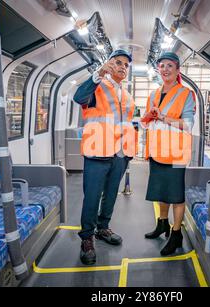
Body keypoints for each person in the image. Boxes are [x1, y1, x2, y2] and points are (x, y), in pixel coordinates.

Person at [73, 49, 137, 265]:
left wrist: (128, 154)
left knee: (110, 195)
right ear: (109, 64)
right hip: (97, 151)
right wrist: (98, 74)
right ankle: (87, 239)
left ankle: (103, 228)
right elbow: (78, 97)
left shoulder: (127, 95)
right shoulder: (97, 85)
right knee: (91, 197)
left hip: (120, 154)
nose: (122, 67)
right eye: (118, 62)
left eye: (126, 65)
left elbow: (126, 124)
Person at [141, 52, 195, 256]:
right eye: (161, 66)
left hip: (176, 153)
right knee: (160, 191)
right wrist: (147, 117)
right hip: (157, 150)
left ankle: (176, 233)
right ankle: (162, 224)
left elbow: (188, 124)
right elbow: (148, 122)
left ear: (177, 70)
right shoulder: (153, 94)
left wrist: (164, 117)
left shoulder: (185, 94)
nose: (165, 69)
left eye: (169, 66)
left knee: (176, 196)